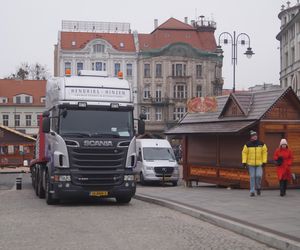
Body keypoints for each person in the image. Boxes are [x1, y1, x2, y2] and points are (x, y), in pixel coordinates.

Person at [242, 130, 268, 197]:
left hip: (259, 164)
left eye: (256, 135)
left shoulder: (261, 144)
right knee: (252, 177)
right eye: (253, 136)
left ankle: (258, 187)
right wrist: (244, 162)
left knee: (258, 176)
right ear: (251, 137)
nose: (255, 137)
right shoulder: (247, 144)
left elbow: (265, 153)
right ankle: (252, 191)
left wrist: (264, 161)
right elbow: (244, 153)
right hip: (251, 164)